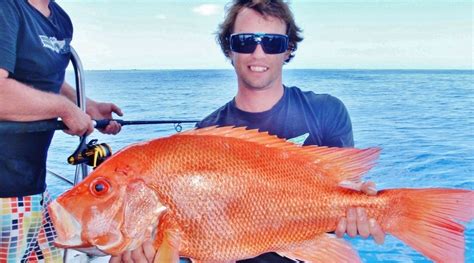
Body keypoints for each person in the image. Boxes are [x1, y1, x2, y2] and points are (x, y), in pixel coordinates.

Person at [194, 0, 385, 262]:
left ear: (288, 49)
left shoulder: (327, 112)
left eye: (272, 43)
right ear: (230, 49)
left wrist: (359, 211)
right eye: (245, 41)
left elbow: (344, 189)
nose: (258, 54)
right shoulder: (205, 133)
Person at [0, 0, 122, 262]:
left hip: (33, 191)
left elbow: (48, 78)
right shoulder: (7, 8)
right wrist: (64, 109)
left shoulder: (61, 19)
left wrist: (86, 105)